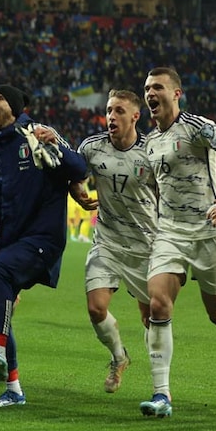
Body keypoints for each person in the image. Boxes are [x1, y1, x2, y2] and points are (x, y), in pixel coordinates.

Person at [0, 85, 88, 407]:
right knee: (1, 302)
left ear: (14, 107)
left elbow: (79, 168)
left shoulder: (37, 135)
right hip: (12, 241)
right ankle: (13, 389)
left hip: (44, 238)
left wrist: (55, 143)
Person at [140, 66, 216, 418]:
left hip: (208, 231)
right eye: (147, 88)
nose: (150, 93)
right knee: (158, 305)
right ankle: (162, 394)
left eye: (157, 87)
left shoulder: (198, 127)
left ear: (176, 93)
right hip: (170, 233)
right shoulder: (150, 142)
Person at [73, 89, 156, 394]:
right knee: (96, 308)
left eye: (119, 111)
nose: (111, 116)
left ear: (135, 116)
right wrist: (78, 192)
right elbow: (76, 174)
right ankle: (119, 357)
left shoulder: (152, 150)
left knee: (151, 317)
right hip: (107, 240)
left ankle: (160, 383)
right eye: (109, 110)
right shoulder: (92, 147)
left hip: (145, 243)